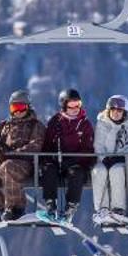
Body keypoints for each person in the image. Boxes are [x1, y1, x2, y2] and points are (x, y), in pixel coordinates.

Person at [0, 90, 43, 223]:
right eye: (14, 107)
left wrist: (10, 154)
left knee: (7, 167)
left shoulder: (36, 126)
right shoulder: (4, 125)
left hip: (25, 164)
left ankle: (15, 208)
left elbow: (36, 145)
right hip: (2, 164)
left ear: (28, 107)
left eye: (21, 107)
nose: (17, 111)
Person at [38, 88, 94, 222]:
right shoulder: (55, 122)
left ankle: (70, 208)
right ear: (64, 106)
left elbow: (88, 149)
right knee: (48, 169)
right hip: (58, 161)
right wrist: (49, 159)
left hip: (76, 163)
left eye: (78, 104)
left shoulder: (85, 124)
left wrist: (75, 160)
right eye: (71, 105)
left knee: (77, 173)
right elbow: (47, 145)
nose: (75, 108)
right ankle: (50, 205)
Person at [90, 94, 128, 225]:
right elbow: (98, 145)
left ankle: (118, 209)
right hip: (105, 160)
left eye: (119, 110)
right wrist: (104, 158)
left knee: (116, 171)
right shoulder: (102, 124)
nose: (116, 113)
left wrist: (120, 157)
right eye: (113, 110)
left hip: (123, 161)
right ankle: (102, 208)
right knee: (98, 171)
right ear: (108, 110)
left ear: (124, 113)